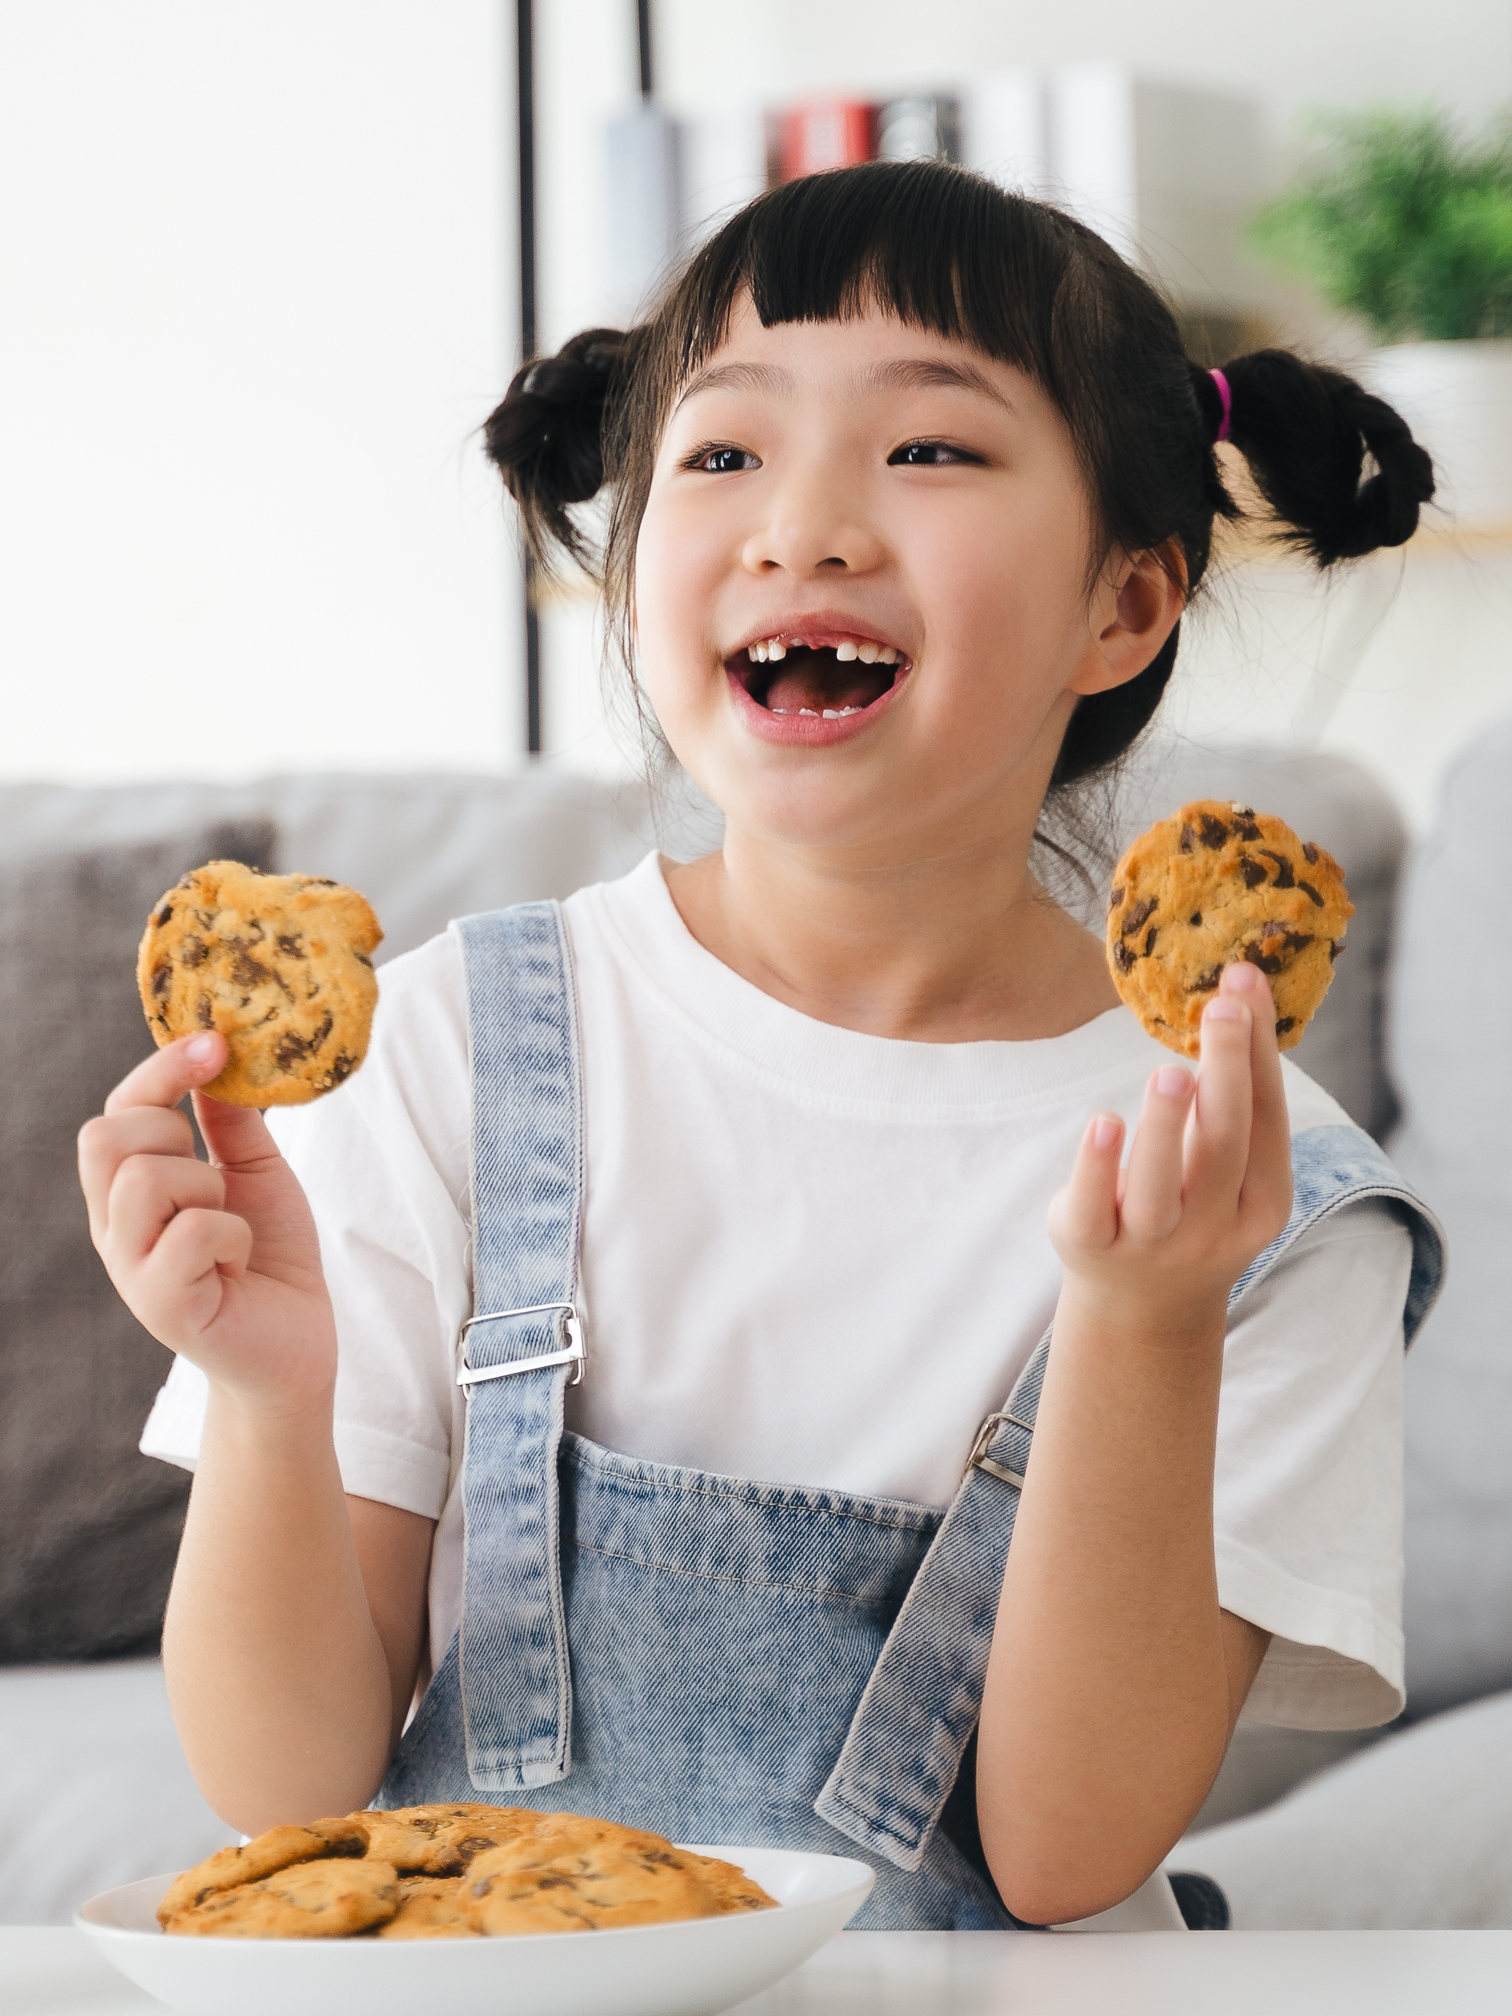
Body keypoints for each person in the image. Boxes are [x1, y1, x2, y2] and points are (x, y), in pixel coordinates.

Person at [80, 161, 1442, 1931]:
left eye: (930, 449)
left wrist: (1147, 1322)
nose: (805, 523)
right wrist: (271, 1395)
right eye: (721, 455)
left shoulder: (1263, 1196)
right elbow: (284, 1790)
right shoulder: (441, 1055)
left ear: (1126, 604)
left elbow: (1067, 1849)